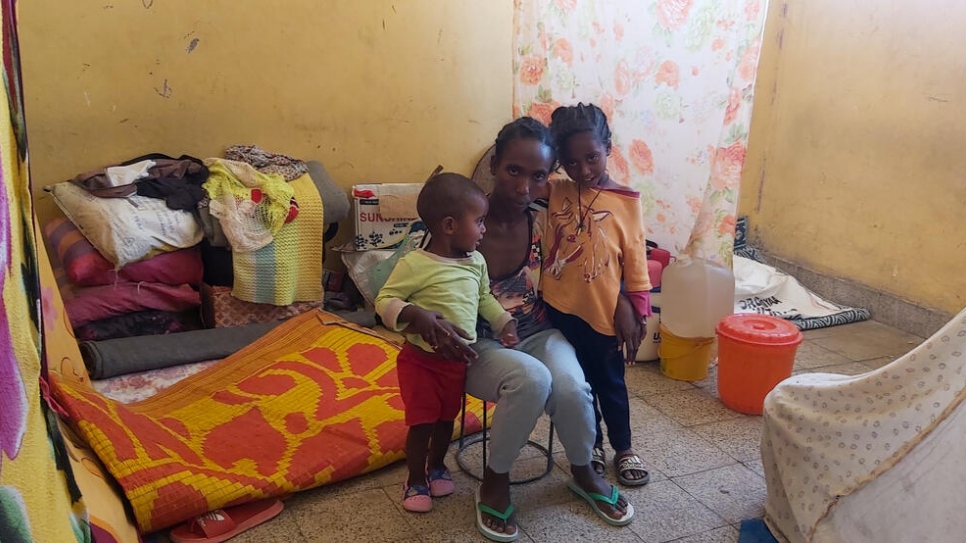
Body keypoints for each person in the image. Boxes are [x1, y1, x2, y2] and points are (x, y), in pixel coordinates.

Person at [431, 117, 635, 542]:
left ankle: (582, 471)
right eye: (514, 170)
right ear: (494, 166)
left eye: (538, 174)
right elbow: (421, 284)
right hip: (477, 345)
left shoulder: (545, 218)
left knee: (572, 386)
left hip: (538, 332)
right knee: (531, 379)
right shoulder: (459, 226)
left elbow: (597, 253)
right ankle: (495, 479)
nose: (524, 185)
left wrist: (625, 299)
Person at [374, 173, 519, 513]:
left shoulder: (476, 262)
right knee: (422, 422)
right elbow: (384, 301)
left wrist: (504, 322)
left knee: (445, 421)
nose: (484, 229)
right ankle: (415, 478)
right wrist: (417, 314)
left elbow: (484, 299)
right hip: (421, 362)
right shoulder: (415, 264)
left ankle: (437, 465)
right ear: (450, 225)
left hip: (456, 363)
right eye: (479, 221)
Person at [543, 103, 653, 488]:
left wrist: (638, 311)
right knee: (577, 383)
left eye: (591, 157)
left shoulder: (626, 201)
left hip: (603, 313)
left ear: (608, 147)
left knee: (610, 383)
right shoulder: (555, 190)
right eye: (571, 163)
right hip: (557, 309)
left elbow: (637, 262)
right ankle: (591, 444)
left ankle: (623, 447)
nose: (583, 170)